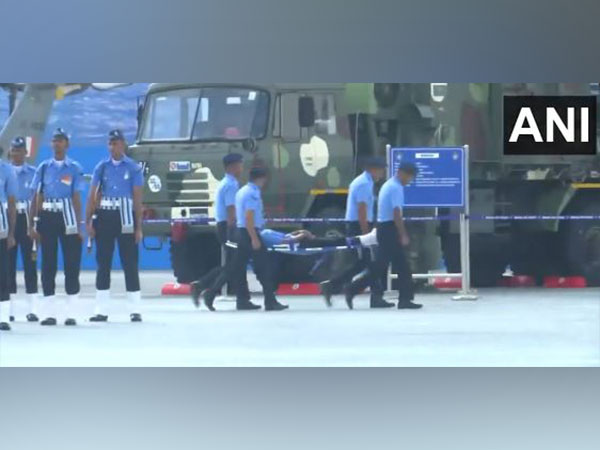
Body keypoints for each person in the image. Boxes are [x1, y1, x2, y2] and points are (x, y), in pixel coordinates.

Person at [345, 161, 422, 310]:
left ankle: (404, 299)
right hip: (389, 229)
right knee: (391, 267)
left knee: (391, 266)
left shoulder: (390, 185)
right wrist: (403, 234)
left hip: (385, 228)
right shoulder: (395, 188)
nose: (410, 180)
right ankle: (353, 289)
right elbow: (396, 213)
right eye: (410, 177)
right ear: (401, 173)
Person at [86, 129, 144, 323]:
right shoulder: (101, 167)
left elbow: (137, 199)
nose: (113, 147)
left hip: (126, 215)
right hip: (105, 216)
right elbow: (92, 195)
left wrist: (139, 227)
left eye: (116, 143)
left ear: (123, 145)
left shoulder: (133, 168)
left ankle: (135, 309)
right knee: (103, 263)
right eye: (110, 143)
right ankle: (101, 309)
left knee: (130, 262)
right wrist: (89, 221)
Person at [320, 156, 393, 309]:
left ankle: (339, 287)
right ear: (372, 169)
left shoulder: (365, 182)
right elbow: (361, 210)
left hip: (359, 225)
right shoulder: (364, 184)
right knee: (372, 262)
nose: (382, 173)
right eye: (380, 170)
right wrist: (366, 236)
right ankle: (352, 290)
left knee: (364, 263)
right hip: (359, 226)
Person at [29, 128, 85, 326]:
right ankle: (49, 313)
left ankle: (72, 312)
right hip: (47, 216)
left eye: (60, 140)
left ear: (67, 144)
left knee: (71, 264)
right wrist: (32, 224)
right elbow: (36, 197)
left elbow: (77, 198)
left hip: (68, 216)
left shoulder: (74, 168)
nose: (57, 144)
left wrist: (80, 226)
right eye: (54, 141)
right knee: (48, 264)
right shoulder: (43, 168)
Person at [191, 153, 250, 311]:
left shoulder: (226, 182)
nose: (241, 167)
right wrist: (235, 231)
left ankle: (242, 299)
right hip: (229, 228)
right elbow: (231, 210)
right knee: (233, 264)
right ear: (232, 167)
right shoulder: (231, 185)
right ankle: (207, 290)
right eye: (240, 164)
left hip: (224, 227)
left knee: (235, 263)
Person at [230, 167, 288, 311]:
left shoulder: (242, 191)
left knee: (237, 268)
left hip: (241, 232)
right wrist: (254, 238)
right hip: (250, 234)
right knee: (263, 268)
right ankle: (270, 301)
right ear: (261, 178)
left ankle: (241, 300)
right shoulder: (253, 193)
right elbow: (249, 217)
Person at [7, 137, 39, 322]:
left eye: (20, 150)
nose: (17, 153)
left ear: (26, 153)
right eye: (14, 150)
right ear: (10, 152)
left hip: (27, 219)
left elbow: (37, 199)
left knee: (30, 264)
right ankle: (9, 308)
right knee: (8, 266)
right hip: (10, 219)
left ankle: (33, 308)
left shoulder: (34, 173)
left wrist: (34, 226)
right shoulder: (4, 172)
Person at [0, 147, 18, 331]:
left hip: (1, 227)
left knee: (2, 273)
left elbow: (12, 203)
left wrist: (12, 233)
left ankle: (3, 316)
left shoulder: (7, 171)